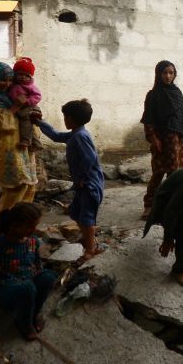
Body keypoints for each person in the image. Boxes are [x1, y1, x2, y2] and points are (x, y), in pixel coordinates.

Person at [0, 203, 55, 341]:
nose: (34, 229)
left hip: (28, 281)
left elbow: (37, 263)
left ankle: (34, 314)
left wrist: (40, 273)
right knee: (28, 289)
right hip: (6, 288)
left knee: (49, 277)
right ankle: (24, 324)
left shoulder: (33, 241)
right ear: (14, 225)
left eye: (35, 225)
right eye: (29, 226)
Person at [37, 99, 105, 259]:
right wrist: (40, 123)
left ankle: (90, 249)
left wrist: (81, 177)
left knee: (87, 217)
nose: (64, 120)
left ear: (72, 119)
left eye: (65, 117)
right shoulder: (76, 133)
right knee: (77, 213)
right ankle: (88, 240)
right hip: (82, 184)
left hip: (89, 185)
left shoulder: (80, 136)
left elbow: (89, 158)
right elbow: (56, 136)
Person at [0, 61, 39, 218]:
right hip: (5, 148)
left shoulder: (10, 93)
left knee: (29, 186)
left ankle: (23, 224)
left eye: (10, 80)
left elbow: (26, 112)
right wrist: (15, 107)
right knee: (15, 187)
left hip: (22, 146)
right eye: (3, 80)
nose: (7, 84)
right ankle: (3, 227)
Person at [140, 60, 183, 217]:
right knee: (158, 173)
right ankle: (149, 205)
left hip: (177, 141)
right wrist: (153, 138)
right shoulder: (153, 95)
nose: (168, 76)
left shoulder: (177, 93)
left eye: (171, 73)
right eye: (164, 73)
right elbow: (148, 119)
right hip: (161, 141)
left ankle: (171, 205)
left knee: (175, 174)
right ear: (158, 74)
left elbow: (182, 118)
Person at [9, 57, 43, 151]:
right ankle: (36, 143)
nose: (23, 77)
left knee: (25, 123)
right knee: (26, 125)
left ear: (30, 77)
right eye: (20, 74)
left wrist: (27, 101)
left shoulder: (30, 86)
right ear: (15, 74)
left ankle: (26, 141)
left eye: (26, 75)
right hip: (16, 107)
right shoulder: (12, 84)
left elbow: (37, 96)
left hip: (26, 108)